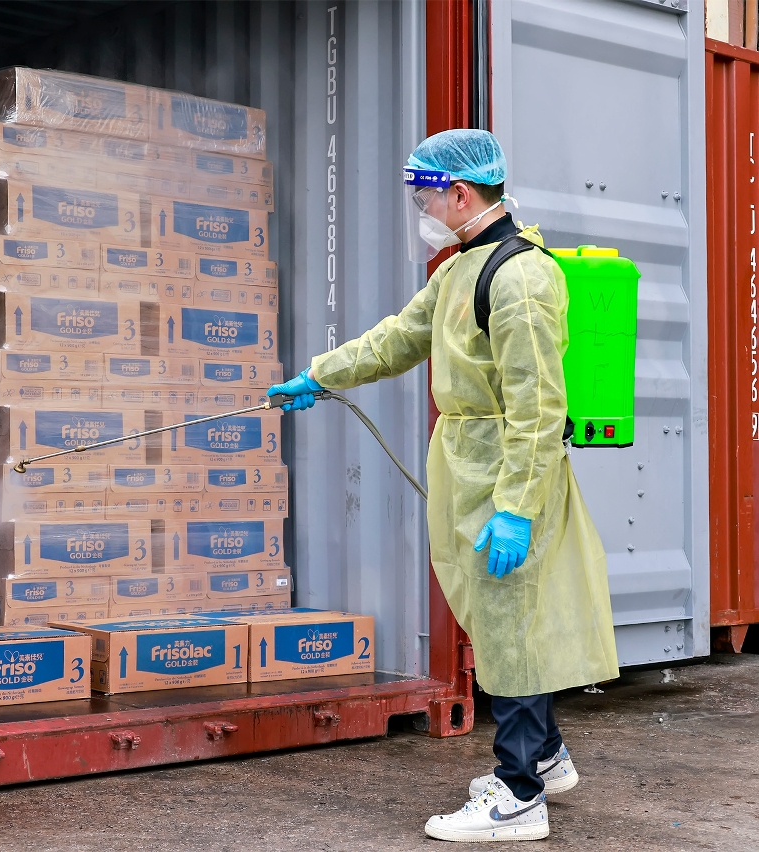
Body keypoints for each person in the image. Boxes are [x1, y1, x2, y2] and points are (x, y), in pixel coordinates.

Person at [270, 129, 619, 843]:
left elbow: (538, 405)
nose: (422, 209)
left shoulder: (520, 279)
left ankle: (520, 796)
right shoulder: (461, 269)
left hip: (507, 468)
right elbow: (399, 336)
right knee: (497, 617)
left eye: (426, 195)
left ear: (461, 193)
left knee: (513, 621)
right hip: (469, 460)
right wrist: (321, 375)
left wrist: (517, 509)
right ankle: (546, 756)